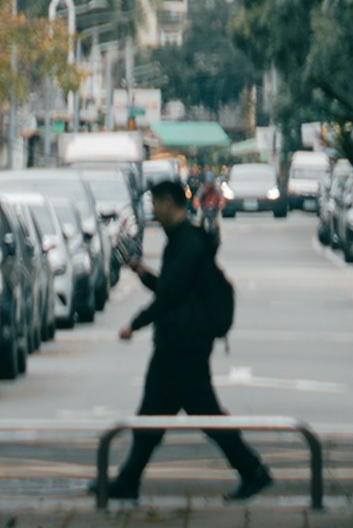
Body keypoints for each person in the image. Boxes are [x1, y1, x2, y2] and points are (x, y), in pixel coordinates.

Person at [102, 164, 270, 501]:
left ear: (168, 202)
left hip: (183, 346)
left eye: (155, 204)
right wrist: (142, 273)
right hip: (182, 343)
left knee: (176, 415)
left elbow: (171, 295)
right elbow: (172, 287)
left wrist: (133, 324)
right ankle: (129, 480)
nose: (153, 211)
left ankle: (252, 471)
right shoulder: (184, 241)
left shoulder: (187, 243)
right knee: (159, 415)